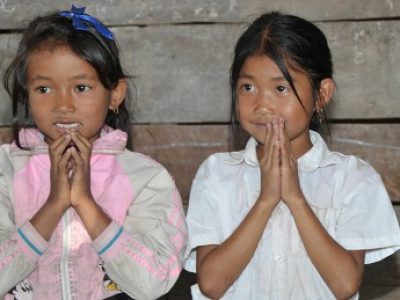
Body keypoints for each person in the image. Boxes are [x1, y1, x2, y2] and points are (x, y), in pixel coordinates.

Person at [184, 11, 400, 299]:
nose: (261, 105)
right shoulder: (216, 174)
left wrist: (295, 197)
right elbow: (211, 283)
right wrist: (266, 200)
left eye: (280, 88)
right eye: (247, 87)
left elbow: (346, 284)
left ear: (321, 94)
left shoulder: (352, 178)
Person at [0, 5, 186, 300]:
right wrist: (53, 206)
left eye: (82, 87)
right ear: (25, 94)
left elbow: (153, 282)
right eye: (44, 89)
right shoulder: (6, 170)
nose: (63, 105)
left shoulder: (146, 178)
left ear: (115, 94)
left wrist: (86, 204)